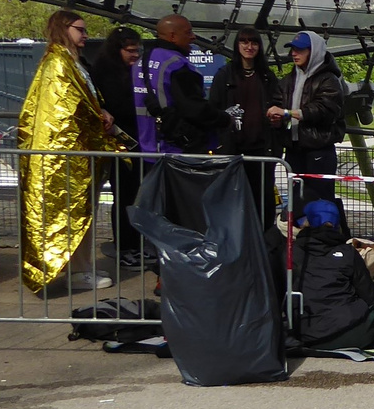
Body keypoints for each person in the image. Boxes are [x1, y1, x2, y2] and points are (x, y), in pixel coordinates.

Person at [19, 10, 118, 294]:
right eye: (81, 29)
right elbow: (67, 109)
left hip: (75, 155)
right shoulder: (59, 63)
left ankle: (81, 268)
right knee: (72, 214)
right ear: (65, 29)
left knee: (79, 213)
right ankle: (78, 272)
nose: (85, 35)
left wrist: (100, 112)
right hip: (67, 157)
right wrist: (98, 116)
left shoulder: (67, 62)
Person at [209, 28, 283, 231]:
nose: (249, 47)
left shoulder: (267, 76)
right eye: (244, 42)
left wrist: (277, 120)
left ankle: (263, 243)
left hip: (262, 150)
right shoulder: (224, 75)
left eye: (254, 43)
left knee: (263, 200)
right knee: (231, 200)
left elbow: (279, 104)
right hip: (232, 149)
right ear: (237, 45)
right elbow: (213, 109)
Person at [288, 199, 374, 351]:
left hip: (307, 334)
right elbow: (370, 296)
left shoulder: (290, 252)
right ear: (337, 224)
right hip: (353, 330)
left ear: (306, 222)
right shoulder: (348, 253)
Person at [267, 30, 345, 205]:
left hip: (319, 150)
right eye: (293, 49)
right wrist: (276, 120)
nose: (294, 53)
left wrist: (288, 113)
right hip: (295, 151)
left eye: (300, 50)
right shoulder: (288, 80)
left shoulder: (329, 80)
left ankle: (324, 231)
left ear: (314, 51)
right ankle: (299, 231)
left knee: (321, 201)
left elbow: (325, 110)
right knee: (297, 202)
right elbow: (278, 104)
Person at [90, 27, 145, 270]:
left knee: (135, 196)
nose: (135, 55)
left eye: (137, 51)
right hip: (120, 144)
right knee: (124, 196)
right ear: (118, 50)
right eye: (130, 51)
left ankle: (136, 244)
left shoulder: (131, 71)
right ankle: (125, 247)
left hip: (137, 142)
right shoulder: (105, 73)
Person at [136, 14, 229, 154]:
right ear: (172, 36)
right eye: (188, 32)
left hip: (146, 148)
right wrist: (225, 119)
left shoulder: (141, 61)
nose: (193, 37)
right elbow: (194, 108)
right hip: (175, 150)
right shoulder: (177, 65)